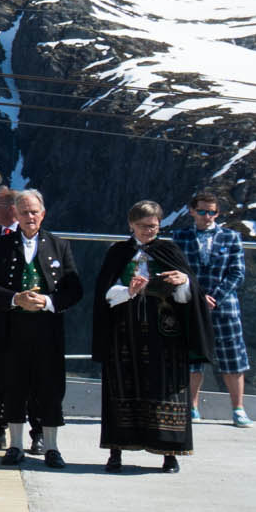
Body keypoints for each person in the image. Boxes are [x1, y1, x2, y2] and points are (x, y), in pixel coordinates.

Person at [0, 189, 83, 467]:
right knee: (13, 384)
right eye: (23, 212)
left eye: (34, 212)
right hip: (12, 327)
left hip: (48, 328)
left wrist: (48, 301)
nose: (29, 217)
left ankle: (51, 447)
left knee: (49, 386)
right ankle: (14, 446)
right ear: (16, 214)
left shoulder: (59, 245)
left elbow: (74, 289)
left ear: (43, 213)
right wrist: (15, 299)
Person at [94, 202, 195, 474]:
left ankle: (169, 452)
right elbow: (104, 293)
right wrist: (128, 291)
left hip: (165, 331)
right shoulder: (118, 252)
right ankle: (116, 452)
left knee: (165, 387)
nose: (149, 231)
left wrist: (183, 281)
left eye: (154, 226)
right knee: (123, 385)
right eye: (143, 226)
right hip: (125, 329)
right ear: (131, 226)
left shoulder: (170, 251)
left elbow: (188, 295)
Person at [181, 190, 253, 427]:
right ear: (192, 211)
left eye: (211, 212)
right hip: (191, 304)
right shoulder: (181, 237)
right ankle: (191, 407)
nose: (207, 216)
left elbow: (237, 272)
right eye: (202, 211)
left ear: (217, 213)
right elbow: (177, 270)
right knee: (192, 358)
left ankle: (238, 409)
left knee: (233, 357)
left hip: (225, 307)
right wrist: (198, 296)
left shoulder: (231, 238)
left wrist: (215, 296)